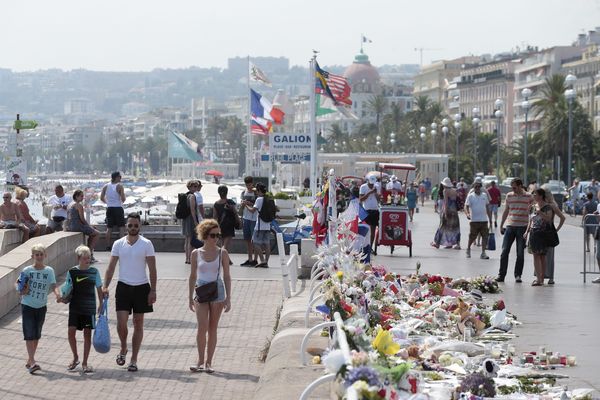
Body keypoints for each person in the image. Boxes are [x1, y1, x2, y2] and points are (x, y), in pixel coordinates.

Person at [102, 213, 157, 372]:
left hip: (142, 287)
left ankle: (133, 359)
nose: (133, 228)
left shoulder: (147, 244)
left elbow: (152, 269)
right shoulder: (118, 244)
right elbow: (111, 267)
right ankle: (123, 347)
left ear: (140, 226)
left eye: (136, 225)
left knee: (138, 323)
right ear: (126, 226)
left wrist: (153, 290)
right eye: (130, 225)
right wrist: (105, 286)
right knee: (121, 323)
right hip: (123, 287)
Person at [188, 219, 232, 373]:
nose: (216, 238)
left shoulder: (223, 253)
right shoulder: (195, 253)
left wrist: (228, 298)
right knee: (202, 327)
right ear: (205, 235)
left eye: (218, 235)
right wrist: (189, 297)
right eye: (213, 235)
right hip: (200, 290)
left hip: (217, 290)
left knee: (213, 328)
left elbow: (227, 276)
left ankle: (209, 362)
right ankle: (200, 360)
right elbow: (192, 276)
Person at [15, 243, 60, 374]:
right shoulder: (27, 270)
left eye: (41, 254)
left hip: (41, 306)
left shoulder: (49, 271)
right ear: (32, 256)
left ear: (45, 255)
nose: (39, 257)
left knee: (36, 335)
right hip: (28, 305)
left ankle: (30, 360)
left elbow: (53, 285)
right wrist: (22, 288)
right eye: (37, 255)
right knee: (29, 333)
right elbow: (18, 285)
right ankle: (33, 362)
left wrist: (57, 294)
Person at [61, 245, 103, 373]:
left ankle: (85, 362)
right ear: (78, 258)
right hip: (75, 307)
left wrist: (101, 304)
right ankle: (75, 357)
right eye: (85, 258)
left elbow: (99, 289)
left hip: (89, 308)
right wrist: (62, 296)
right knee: (71, 332)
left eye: (89, 258)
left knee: (87, 334)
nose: (87, 260)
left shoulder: (94, 272)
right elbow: (67, 288)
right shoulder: (72, 272)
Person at [497, 178, 533, 283]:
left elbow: (534, 209)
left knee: (520, 253)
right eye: (512, 187)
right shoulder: (509, 195)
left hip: (522, 227)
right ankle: (501, 275)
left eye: (515, 187)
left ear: (520, 185)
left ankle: (518, 275)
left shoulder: (528, 196)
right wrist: (501, 225)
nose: (513, 189)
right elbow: (506, 210)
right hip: (510, 226)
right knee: (504, 251)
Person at [524, 188, 556, 286]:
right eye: (533, 195)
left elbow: (549, 219)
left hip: (543, 234)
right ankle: (538, 279)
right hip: (534, 233)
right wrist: (526, 231)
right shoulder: (533, 206)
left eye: (535, 195)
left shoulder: (547, 207)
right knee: (535, 256)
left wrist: (540, 212)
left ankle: (542, 278)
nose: (533, 196)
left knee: (542, 256)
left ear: (541, 196)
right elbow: (531, 220)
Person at [540, 184, 565, 285]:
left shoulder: (552, 205)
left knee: (549, 255)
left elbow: (562, 218)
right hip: (539, 231)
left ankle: (551, 277)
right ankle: (540, 276)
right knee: (540, 254)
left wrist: (557, 229)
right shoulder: (540, 204)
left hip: (549, 231)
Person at [68, 189, 100, 262]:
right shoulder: (79, 205)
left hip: (72, 226)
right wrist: (89, 226)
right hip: (78, 226)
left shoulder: (70, 205)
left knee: (92, 232)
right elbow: (82, 219)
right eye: (81, 196)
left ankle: (89, 252)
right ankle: (89, 254)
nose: (83, 198)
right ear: (76, 196)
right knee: (97, 233)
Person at [465, 179, 492, 259]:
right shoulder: (470, 196)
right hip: (474, 220)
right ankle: (468, 248)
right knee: (472, 236)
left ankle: (483, 252)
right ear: (473, 187)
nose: (477, 188)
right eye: (475, 187)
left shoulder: (484, 195)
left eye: (478, 186)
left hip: (484, 220)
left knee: (485, 236)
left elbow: (487, 207)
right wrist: (467, 214)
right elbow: (466, 206)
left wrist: (490, 218)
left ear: (480, 187)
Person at [431, 177, 461, 249]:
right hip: (454, 210)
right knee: (455, 227)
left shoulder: (445, 191)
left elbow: (446, 202)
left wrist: (445, 212)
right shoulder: (455, 190)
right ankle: (457, 244)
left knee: (442, 226)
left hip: (448, 210)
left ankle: (437, 243)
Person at [247, 182, 271, 268]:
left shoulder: (259, 199)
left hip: (260, 225)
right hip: (268, 225)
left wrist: (246, 205)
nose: (256, 192)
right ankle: (266, 262)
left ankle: (262, 260)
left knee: (254, 242)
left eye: (257, 190)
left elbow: (252, 210)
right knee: (267, 244)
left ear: (259, 190)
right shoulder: (268, 198)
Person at [100, 172, 126, 249]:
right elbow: (123, 199)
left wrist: (108, 203)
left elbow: (101, 198)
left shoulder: (105, 186)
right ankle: (121, 246)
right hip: (118, 208)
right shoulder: (119, 186)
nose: (121, 178)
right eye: (120, 177)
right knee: (121, 227)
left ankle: (108, 246)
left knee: (109, 228)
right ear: (116, 177)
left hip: (109, 208)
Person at [213, 185, 238, 257]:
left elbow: (214, 217)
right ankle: (222, 258)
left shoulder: (216, 204)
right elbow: (236, 212)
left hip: (220, 225)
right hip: (229, 225)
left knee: (223, 243)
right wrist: (238, 221)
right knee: (226, 245)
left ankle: (227, 259)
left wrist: (215, 227)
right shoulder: (230, 202)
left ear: (219, 193)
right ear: (227, 192)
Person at [359, 175, 380, 253]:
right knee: (365, 230)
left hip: (375, 210)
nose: (372, 185)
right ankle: (364, 246)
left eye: (373, 184)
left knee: (373, 230)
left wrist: (375, 193)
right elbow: (361, 199)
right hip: (366, 210)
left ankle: (370, 247)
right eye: (370, 184)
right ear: (367, 181)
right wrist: (370, 192)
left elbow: (379, 199)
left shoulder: (376, 186)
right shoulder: (363, 187)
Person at [240, 176, 258, 267]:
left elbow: (257, 205)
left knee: (254, 240)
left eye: (250, 184)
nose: (248, 187)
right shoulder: (243, 192)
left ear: (252, 183)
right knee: (247, 240)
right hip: (246, 217)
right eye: (247, 185)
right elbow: (242, 206)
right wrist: (243, 204)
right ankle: (250, 258)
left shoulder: (256, 192)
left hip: (254, 218)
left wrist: (248, 203)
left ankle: (255, 259)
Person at [181, 180, 199, 264]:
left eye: (197, 186)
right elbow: (192, 210)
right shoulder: (192, 196)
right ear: (190, 187)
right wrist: (195, 221)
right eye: (194, 186)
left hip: (185, 219)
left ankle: (186, 258)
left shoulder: (186, 195)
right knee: (190, 240)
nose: (196, 188)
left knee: (187, 240)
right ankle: (189, 258)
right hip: (190, 219)